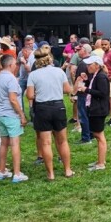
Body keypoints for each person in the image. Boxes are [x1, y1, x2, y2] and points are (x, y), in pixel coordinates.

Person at [27, 50, 74, 180]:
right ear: (50, 58)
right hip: (58, 106)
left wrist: (38, 93)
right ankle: (68, 170)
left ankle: (50, 174)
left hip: (42, 108)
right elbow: (67, 90)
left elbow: (30, 95)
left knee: (46, 143)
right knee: (62, 141)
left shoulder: (33, 75)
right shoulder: (59, 71)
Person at [0, 54, 28, 183]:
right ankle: (17, 173)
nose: (16, 66)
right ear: (10, 65)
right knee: (14, 144)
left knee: (3, 144)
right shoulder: (11, 79)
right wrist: (22, 115)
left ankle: (2, 171)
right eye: (15, 64)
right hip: (11, 115)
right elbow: (13, 99)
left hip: (0, 114)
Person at [78, 55, 110, 171]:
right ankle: (100, 160)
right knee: (97, 135)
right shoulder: (96, 76)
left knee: (99, 136)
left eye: (89, 64)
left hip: (99, 110)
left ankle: (101, 163)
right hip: (96, 109)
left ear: (97, 65)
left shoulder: (101, 77)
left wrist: (85, 90)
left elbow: (102, 93)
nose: (87, 67)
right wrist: (86, 80)